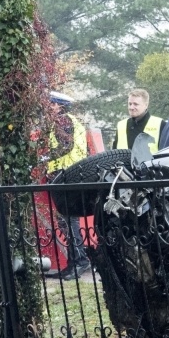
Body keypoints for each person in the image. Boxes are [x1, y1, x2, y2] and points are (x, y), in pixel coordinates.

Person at [44, 92, 92, 280]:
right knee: (66, 219)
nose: (48, 107)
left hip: (67, 174)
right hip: (72, 174)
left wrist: (45, 158)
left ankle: (80, 261)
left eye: (51, 104)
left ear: (59, 106)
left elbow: (65, 146)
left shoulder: (62, 121)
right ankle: (74, 262)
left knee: (68, 219)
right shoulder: (72, 121)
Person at [111, 88, 164, 153]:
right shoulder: (121, 125)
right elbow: (113, 154)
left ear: (146, 105)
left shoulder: (160, 124)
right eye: (130, 104)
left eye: (135, 104)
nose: (131, 107)